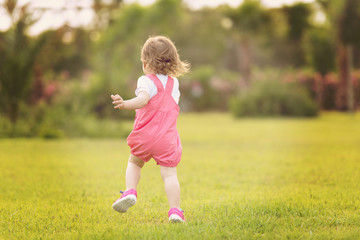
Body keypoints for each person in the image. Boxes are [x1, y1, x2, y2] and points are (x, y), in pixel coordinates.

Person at [111, 36, 190, 223]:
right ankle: (175, 211)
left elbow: (143, 99)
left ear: (145, 63)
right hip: (167, 138)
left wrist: (125, 104)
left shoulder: (145, 81)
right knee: (170, 174)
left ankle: (130, 191)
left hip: (145, 135)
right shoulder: (174, 84)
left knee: (135, 162)